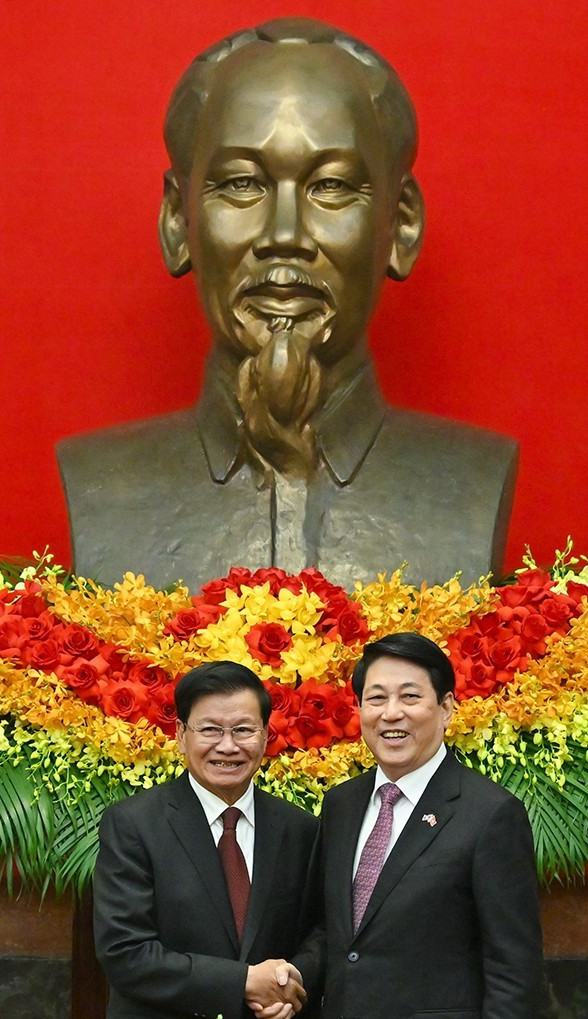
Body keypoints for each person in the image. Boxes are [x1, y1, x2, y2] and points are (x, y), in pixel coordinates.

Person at [57, 18, 517, 590]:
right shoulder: (101, 484)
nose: (284, 235)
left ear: (400, 226)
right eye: (241, 184)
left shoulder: (473, 482)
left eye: (331, 186)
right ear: (178, 222)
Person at [313, 632, 542, 1019]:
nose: (391, 713)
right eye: (376, 698)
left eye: (410, 697)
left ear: (446, 708)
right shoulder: (341, 805)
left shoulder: (489, 813)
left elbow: (514, 966)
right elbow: (337, 935)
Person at [92, 660, 320, 1019]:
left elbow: (324, 930)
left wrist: (292, 981)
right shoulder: (134, 824)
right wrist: (243, 982)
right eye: (211, 730)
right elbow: (126, 953)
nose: (228, 746)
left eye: (243, 730)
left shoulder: (301, 828)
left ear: (266, 735)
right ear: (181, 735)